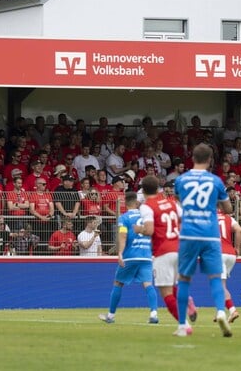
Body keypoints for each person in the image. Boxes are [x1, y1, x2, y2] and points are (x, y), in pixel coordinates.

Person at [173, 143, 233, 337]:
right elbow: (228, 208)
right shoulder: (215, 181)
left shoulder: (180, 180)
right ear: (209, 160)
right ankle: (221, 312)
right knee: (215, 277)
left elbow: (179, 202)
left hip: (189, 232)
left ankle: (182, 325)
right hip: (210, 234)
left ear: (192, 158)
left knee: (183, 279)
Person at [138, 175, 198, 325]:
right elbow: (184, 219)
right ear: (158, 188)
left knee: (166, 292)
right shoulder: (171, 202)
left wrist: (139, 229)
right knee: (172, 285)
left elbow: (149, 230)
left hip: (163, 251)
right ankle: (188, 301)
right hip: (179, 248)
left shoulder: (147, 206)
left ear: (143, 191)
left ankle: (183, 325)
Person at [98, 192, 159, 325]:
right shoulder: (146, 217)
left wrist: (120, 253)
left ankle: (111, 315)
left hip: (131, 256)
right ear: (137, 203)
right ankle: (154, 314)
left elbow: (123, 236)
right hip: (146, 256)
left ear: (125, 203)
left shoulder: (124, 218)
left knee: (118, 283)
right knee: (148, 284)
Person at [216, 207, 241, 322]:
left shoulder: (209, 217)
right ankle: (220, 311)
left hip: (218, 253)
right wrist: (237, 247)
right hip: (230, 254)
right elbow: (239, 230)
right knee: (221, 284)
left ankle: (232, 310)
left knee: (220, 285)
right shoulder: (228, 218)